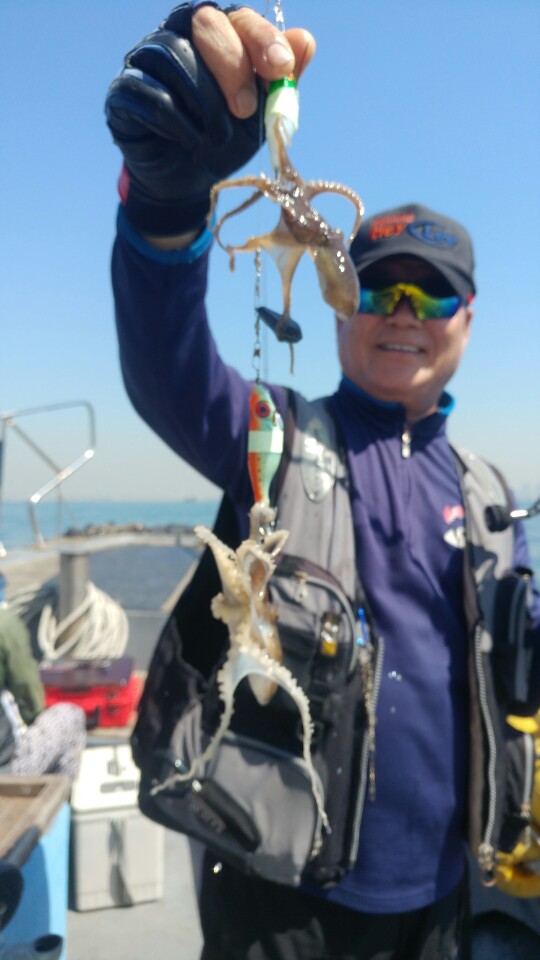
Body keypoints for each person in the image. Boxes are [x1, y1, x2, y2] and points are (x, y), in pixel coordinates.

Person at [105, 4, 540, 958]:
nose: (403, 313)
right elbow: (167, 373)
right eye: (378, 288)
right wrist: (168, 205)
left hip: (443, 897)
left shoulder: (491, 495)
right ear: (339, 302)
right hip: (277, 893)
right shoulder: (271, 435)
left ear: (469, 319)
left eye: (432, 294)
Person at [0, 603, 86, 780]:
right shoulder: (4, 624)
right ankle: (57, 795)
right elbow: (28, 693)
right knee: (70, 715)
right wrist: (34, 715)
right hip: (7, 773)